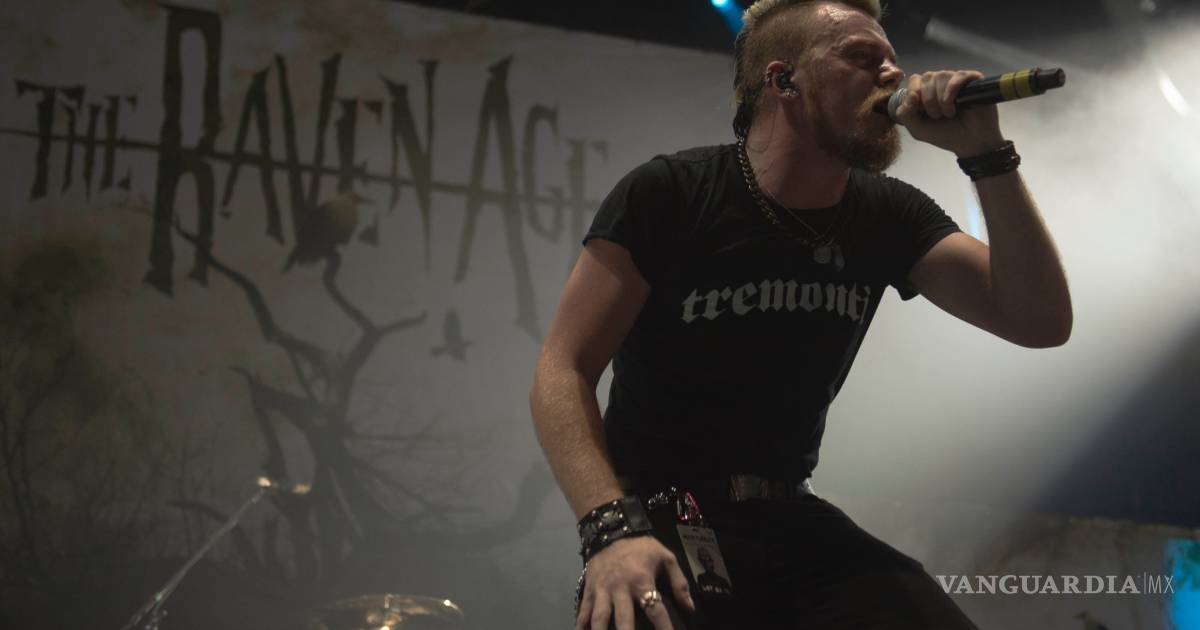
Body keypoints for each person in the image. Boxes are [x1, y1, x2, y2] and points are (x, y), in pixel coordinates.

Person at [528, 0, 1072, 628]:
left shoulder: (890, 213)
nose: (893, 74)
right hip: (662, 517)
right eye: (862, 57)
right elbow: (562, 370)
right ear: (783, 79)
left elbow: (1039, 322)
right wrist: (610, 530)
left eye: (893, 60)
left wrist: (987, 155)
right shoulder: (672, 193)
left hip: (792, 518)